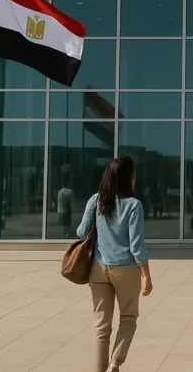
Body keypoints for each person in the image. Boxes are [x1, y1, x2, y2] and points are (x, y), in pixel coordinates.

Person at [77, 156, 152, 372]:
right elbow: (136, 246)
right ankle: (114, 363)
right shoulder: (134, 205)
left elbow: (81, 232)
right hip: (126, 269)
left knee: (101, 325)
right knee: (128, 317)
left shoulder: (96, 200)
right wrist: (146, 274)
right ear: (130, 177)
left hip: (98, 268)